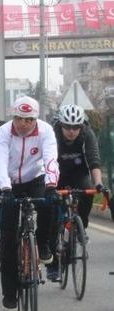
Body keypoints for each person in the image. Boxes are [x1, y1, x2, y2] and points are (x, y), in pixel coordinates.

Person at [0, 96, 59, 310]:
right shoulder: (4, 132)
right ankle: (10, 292)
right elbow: (0, 161)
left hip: (35, 178)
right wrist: (5, 188)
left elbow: (50, 158)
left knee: (49, 204)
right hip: (10, 183)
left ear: (36, 119)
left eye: (29, 119)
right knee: (8, 236)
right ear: (13, 117)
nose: (24, 124)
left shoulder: (46, 131)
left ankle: (41, 242)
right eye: (20, 118)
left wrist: (51, 185)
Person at [46, 104, 109, 281]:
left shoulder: (87, 133)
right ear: (61, 125)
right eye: (67, 127)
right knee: (51, 217)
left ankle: (81, 227)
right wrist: (49, 186)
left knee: (88, 191)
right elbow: (46, 161)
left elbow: (94, 161)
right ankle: (52, 265)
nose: (71, 131)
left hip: (78, 171)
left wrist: (98, 185)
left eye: (75, 127)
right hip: (56, 172)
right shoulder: (52, 134)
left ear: (81, 126)